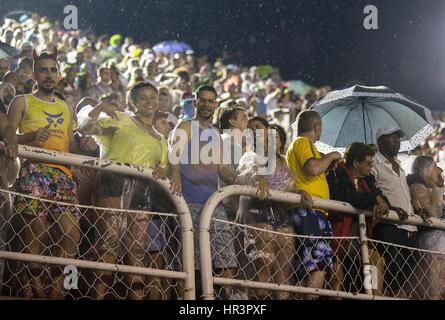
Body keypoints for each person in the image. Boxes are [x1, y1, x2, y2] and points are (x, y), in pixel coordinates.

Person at [79, 81, 168, 300]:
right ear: (133, 102)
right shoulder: (122, 118)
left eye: (153, 96)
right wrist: (99, 107)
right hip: (112, 184)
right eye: (144, 97)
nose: (150, 101)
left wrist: (161, 171)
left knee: (137, 253)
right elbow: (84, 128)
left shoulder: (162, 139)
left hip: (142, 192)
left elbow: (162, 167)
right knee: (108, 245)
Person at [7, 48, 81, 299]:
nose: (49, 75)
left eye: (53, 70)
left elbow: (70, 144)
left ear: (59, 75)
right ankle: (36, 288)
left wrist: (87, 144)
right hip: (35, 170)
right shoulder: (22, 101)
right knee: (35, 231)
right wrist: (28, 137)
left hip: (63, 175)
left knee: (72, 235)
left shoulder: (65, 105)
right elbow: (7, 139)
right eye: (43, 70)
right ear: (35, 75)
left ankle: (57, 292)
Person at [169, 85, 238, 298]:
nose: (207, 104)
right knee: (193, 266)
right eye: (203, 100)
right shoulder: (186, 126)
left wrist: (241, 180)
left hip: (213, 203)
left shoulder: (216, 133)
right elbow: (173, 153)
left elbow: (223, 168)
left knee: (226, 261)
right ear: (196, 102)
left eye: (211, 101)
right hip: (188, 201)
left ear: (216, 104)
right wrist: (174, 175)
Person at [237, 120, 313, 299]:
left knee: (283, 280)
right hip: (259, 216)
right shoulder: (250, 155)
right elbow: (247, 172)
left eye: (275, 136)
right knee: (262, 276)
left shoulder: (284, 162)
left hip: (282, 218)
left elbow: (289, 187)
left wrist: (300, 191)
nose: (270, 138)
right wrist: (259, 177)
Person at [285, 110, 341, 298]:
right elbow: (313, 168)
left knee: (308, 267)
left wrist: (326, 163)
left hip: (312, 213)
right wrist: (332, 155)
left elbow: (315, 168)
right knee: (317, 266)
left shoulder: (304, 146)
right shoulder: (303, 142)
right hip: (309, 213)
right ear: (317, 127)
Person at [326, 142, 388, 295]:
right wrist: (375, 199)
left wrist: (381, 202)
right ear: (355, 163)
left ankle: (373, 296)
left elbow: (382, 197)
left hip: (360, 240)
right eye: (368, 163)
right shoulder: (337, 173)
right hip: (338, 238)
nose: (371, 167)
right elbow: (349, 198)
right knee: (336, 276)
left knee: (376, 261)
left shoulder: (367, 179)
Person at [371, 128, 423, 298]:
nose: (396, 141)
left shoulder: (400, 166)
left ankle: (391, 295)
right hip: (389, 225)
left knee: (410, 266)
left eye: (397, 138)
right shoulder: (373, 164)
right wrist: (391, 208)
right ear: (380, 143)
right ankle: (382, 294)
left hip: (410, 226)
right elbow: (371, 190)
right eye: (391, 138)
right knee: (391, 265)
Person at [406, 155, 445, 299]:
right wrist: (437, 188)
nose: (439, 170)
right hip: (428, 238)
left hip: (435, 238)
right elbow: (433, 213)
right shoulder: (416, 183)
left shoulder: (425, 185)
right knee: (435, 280)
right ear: (426, 169)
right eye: (435, 167)